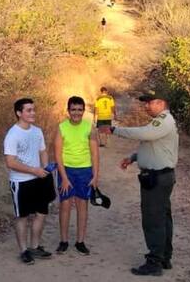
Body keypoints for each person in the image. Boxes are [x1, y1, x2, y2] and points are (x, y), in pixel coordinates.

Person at [102, 92, 179, 276]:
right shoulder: (160, 122)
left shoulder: (163, 121)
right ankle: (164, 257)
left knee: (153, 220)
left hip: (157, 178)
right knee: (162, 218)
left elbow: (144, 133)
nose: (146, 106)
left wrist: (114, 130)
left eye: (149, 103)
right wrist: (133, 158)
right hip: (161, 176)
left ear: (161, 103)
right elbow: (155, 147)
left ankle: (154, 262)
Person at [4, 98, 55, 264]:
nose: (33, 113)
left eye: (33, 109)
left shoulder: (37, 131)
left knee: (41, 214)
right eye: (29, 110)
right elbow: (10, 162)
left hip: (40, 179)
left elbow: (43, 151)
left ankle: (35, 247)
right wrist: (34, 170)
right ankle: (24, 251)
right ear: (19, 113)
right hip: (21, 182)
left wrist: (45, 168)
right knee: (23, 217)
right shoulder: (12, 135)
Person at [54, 96, 100, 255]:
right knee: (65, 206)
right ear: (68, 110)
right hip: (66, 170)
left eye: (80, 110)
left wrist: (95, 176)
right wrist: (64, 178)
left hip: (84, 171)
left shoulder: (89, 128)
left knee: (82, 206)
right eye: (73, 109)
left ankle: (80, 242)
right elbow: (58, 155)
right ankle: (64, 241)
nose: (76, 113)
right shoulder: (61, 127)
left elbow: (95, 154)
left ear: (83, 111)